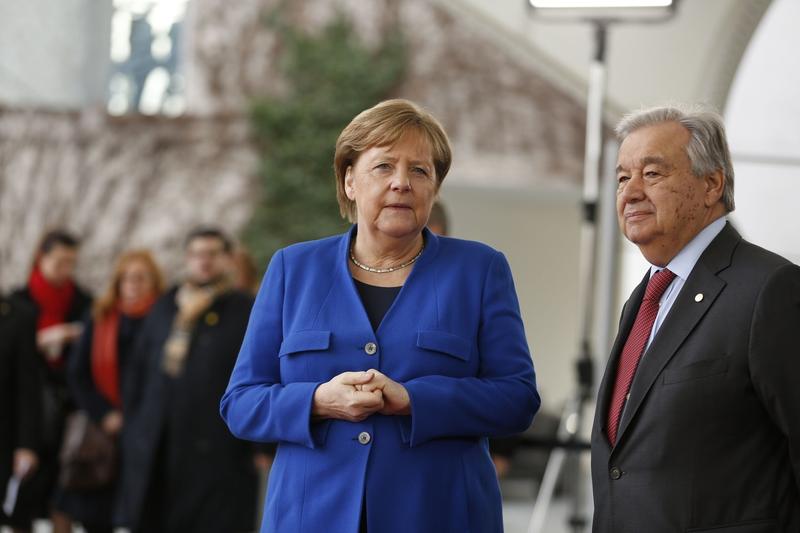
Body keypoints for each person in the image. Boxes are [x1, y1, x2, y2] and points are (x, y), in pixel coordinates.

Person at [221, 98, 540, 533]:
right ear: (349, 180)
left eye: (420, 170)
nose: (402, 183)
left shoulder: (480, 270)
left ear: (434, 188)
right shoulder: (293, 269)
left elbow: (517, 399)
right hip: (310, 517)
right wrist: (317, 401)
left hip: (439, 516)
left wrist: (413, 400)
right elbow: (240, 404)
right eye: (384, 166)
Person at [591, 105, 800, 532]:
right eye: (622, 178)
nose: (630, 193)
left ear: (711, 184)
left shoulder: (771, 289)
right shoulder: (645, 299)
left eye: (651, 174)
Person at [121, 227, 259, 533]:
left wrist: (260, 446)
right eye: (196, 254)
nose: (204, 262)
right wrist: (133, 425)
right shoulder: (166, 305)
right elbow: (139, 367)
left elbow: (260, 375)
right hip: (160, 443)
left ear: (226, 259)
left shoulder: (244, 309)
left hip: (219, 447)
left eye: (212, 254)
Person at [63, 250, 164, 533]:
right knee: (98, 516)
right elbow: (78, 373)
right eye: (127, 279)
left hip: (147, 429)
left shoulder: (164, 319)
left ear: (154, 283)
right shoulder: (100, 316)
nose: (133, 285)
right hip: (107, 431)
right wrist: (104, 413)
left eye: (141, 279)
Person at [10, 230, 92, 533]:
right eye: (59, 261)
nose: (65, 269)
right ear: (41, 259)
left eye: (71, 262)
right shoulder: (18, 304)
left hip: (68, 410)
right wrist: (42, 340)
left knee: (65, 495)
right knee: (22, 495)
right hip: (28, 411)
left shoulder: (84, 304)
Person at [0, 294, 42, 533]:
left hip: (5, 436)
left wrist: (27, 444)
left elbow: (28, 388)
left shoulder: (19, 316)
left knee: (15, 515)